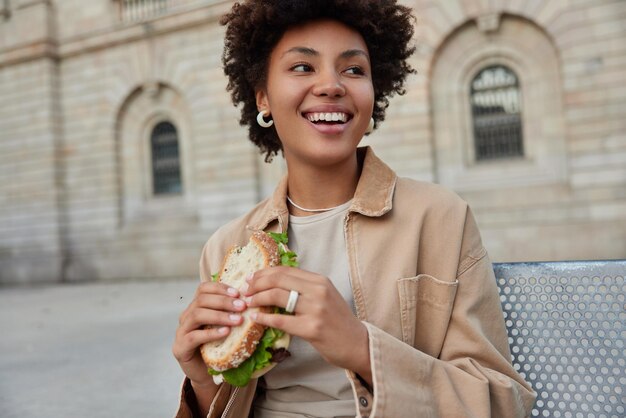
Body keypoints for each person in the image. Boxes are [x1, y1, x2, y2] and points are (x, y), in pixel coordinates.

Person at [172, 1, 536, 417]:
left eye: (353, 69)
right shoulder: (226, 247)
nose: (331, 85)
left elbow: (501, 402)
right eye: (303, 68)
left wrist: (363, 349)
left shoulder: (440, 218)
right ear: (263, 98)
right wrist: (202, 381)